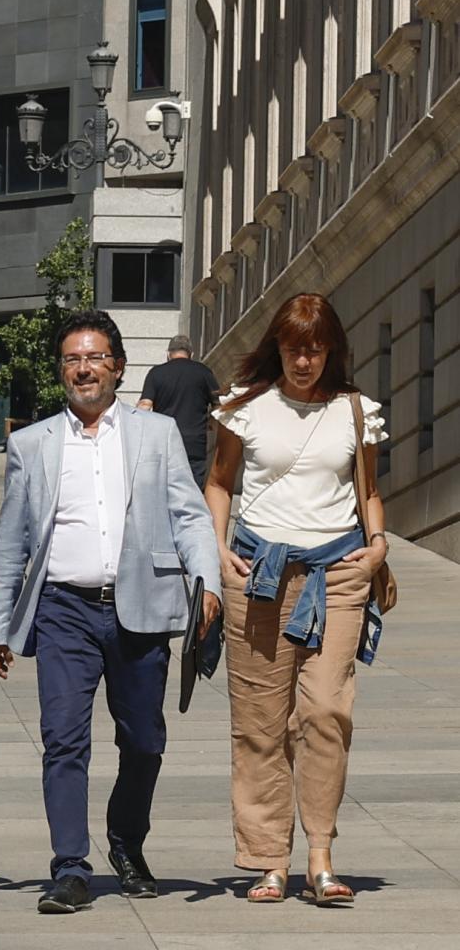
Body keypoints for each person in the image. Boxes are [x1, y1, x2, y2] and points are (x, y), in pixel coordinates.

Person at [0, 311, 221, 914]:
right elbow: (11, 541)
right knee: (63, 740)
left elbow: (191, 516)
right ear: (61, 370)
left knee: (144, 739)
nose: (82, 369)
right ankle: (69, 866)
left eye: (93, 358)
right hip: (64, 610)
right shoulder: (31, 443)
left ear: (117, 366)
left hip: (142, 609)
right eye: (71, 359)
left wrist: (208, 583)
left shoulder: (157, 434)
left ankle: (125, 841)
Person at [205, 293, 389, 907]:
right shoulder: (245, 407)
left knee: (325, 711)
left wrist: (379, 544)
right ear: (276, 348)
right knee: (260, 723)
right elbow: (220, 483)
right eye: (292, 349)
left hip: (337, 574)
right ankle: (268, 862)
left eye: (313, 349)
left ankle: (320, 856)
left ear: (330, 348)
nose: (303, 361)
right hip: (259, 575)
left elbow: (368, 490)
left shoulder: (356, 412)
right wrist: (217, 549)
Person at [137, 334, 221, 485]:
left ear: (168, 354)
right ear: (191, 354)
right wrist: (210, 424)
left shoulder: (156, 373)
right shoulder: (204, 372)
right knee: (193, 490)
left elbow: (144, 406)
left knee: (164, 489)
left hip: (164, 440)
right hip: (194, 442)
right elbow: (219, 406)